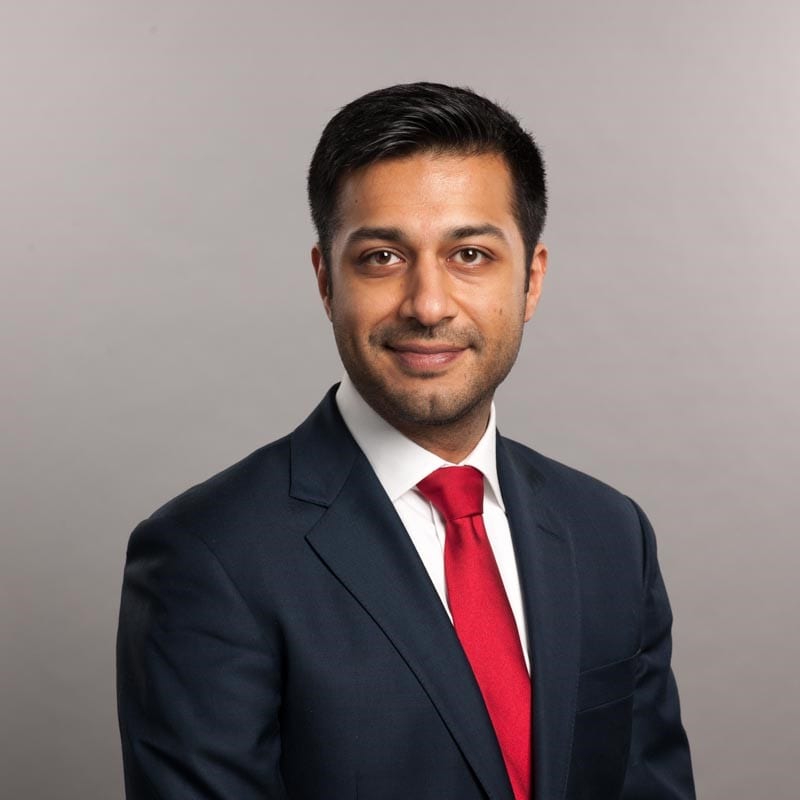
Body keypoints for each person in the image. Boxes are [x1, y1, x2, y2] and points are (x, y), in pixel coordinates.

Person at [116, 82, 695, 799]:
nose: (427, 304)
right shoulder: (209, 556)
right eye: (382, 258)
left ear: (532, 280)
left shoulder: (610, 534)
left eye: (472, 255)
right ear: (327, 281)